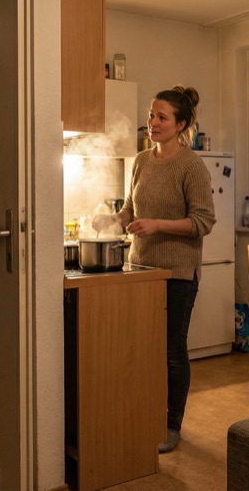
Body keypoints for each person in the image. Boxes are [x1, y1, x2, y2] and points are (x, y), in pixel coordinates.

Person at [94, 85, 215, 453]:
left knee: (172, 352)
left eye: (162, 117)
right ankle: (147, 414)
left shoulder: (192, 165)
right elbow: (130, 210)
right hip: (139, 269)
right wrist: (112, 220)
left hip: (177, 273)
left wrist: (158, 224)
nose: (153, 122)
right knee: (142, 349)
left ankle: (172, 425)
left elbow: (203, 221)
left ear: (181, 125)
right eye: (151, 115)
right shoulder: (141, 161)